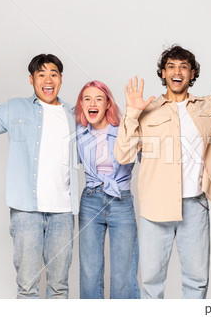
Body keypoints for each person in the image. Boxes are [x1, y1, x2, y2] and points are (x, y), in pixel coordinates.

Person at [0, 54, 78, 299]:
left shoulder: (74, 114)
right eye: (41, 74)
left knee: (59, 287)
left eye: (53, 74)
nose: (48, 79)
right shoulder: (15, 108)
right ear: (31, 79)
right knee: (27, 288)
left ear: (61, 79)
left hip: (64, 212)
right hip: (26, 212)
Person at [114, 45, 211, 299]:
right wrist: (132, 112)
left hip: (195, 206)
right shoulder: (146, 110)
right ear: (163, 73)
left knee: (197, 280)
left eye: (183, 67)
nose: (177, 72)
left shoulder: (210, 106)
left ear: (192, 73)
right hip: (155, 208)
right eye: (171, 67)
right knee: (152, 282)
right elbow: (123, 155)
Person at [75, 80, 139, 299]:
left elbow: (146, 155)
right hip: (90, 200)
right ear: (81, 105)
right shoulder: (78, 133)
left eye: (99, 99)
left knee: (124, 272)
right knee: (89, 271)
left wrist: (135, 116)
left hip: (121, 200)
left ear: (107, 104)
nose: (92, 103)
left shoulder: (124, 129)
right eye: (87, 99)